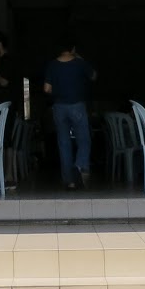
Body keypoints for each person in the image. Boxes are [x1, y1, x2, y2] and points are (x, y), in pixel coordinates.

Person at [43, 44, 97, 190]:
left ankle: (69, 181)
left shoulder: (53, 64)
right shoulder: (79, 63)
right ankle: (80, 164)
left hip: (59, 107)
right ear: (73, 48)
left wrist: (59, 90)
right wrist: (81, 58)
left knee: (64, 143)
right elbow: (93, 76)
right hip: (77, 106)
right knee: (84, 139)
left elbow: (46, 88)